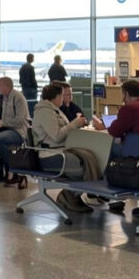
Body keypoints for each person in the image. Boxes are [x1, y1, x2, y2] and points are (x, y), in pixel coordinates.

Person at [31, 81, 89, 213]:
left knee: (91, 161)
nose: (64, 98)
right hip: (50, 155)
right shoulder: (45, 112)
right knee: (85, 167)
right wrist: (74, 124)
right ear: (56, 97)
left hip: (59, 151)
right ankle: (70, 196)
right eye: (62, 95)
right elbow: (56, 136)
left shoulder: (54, 110)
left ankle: (71, 195)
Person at [0, 77, 30, 187]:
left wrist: (2, 123)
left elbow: (19, 120)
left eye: (0, 86)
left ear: (7, 86)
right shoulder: (4, 98)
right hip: (7, 129)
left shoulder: (18, 98)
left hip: (19, 131)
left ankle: (16, 168)